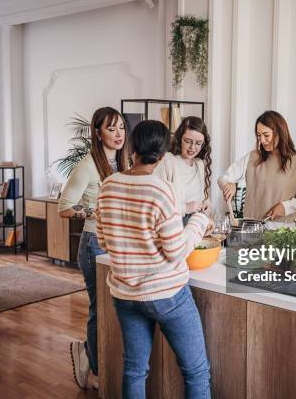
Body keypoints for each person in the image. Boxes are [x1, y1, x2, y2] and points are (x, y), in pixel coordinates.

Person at [96, 120, 212, 398]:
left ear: (133, 147)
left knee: (135, 370)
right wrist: (199, 221)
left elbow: (103, 241)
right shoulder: (161, 190)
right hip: (167, 295)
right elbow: (176, 252)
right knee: (196, 371)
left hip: (125, 295)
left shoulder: (108, 186)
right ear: (162, 156)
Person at [58, 106, 129, 389]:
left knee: (116, 308)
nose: (119, 134)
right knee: (100, 309)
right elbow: (64, 208)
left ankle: (90, 352)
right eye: (111, 128)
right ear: (98, 134)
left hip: (120, 244)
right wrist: (91, 211)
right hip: (94, 244)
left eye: (122, 127)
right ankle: (98, 369)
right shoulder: (87, 165)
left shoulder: (125, 164)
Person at [218, 110, 296, 229]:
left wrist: (285, 207)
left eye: (266, 135)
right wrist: (228, 184)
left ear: (280, 133)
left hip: (283, 232)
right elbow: (223, 178)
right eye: (258, 135)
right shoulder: (252, 157)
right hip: (252, 230)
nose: (261, 140)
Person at [155, 116, 212, 224]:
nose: (192, 147)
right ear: (179, 138)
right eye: (188, 141)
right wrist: (185, 208)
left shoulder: (198, 164)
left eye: (198, 143)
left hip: (196, 224)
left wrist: (207, 206)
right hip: (174, 225)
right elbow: (157, 202)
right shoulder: (167, 160)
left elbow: (203, 197)